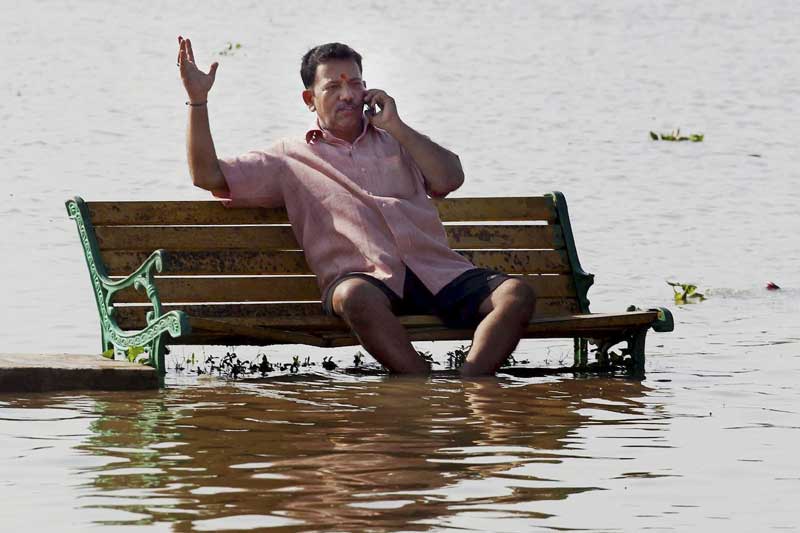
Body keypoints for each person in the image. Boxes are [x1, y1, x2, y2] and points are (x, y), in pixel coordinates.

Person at [177, 37, 536, 376]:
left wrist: (397, 126)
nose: (347, 95)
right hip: (366, 281)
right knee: (354, 296)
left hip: (435, 272)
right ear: (309, 99)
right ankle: (420, 384)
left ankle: (470, 386)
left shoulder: (398, 140)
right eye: (333, 87)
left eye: (355, 84)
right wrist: (197, 101)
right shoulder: (288, 158)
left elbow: (450, 179)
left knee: (515, 294)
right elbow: (207, 175)